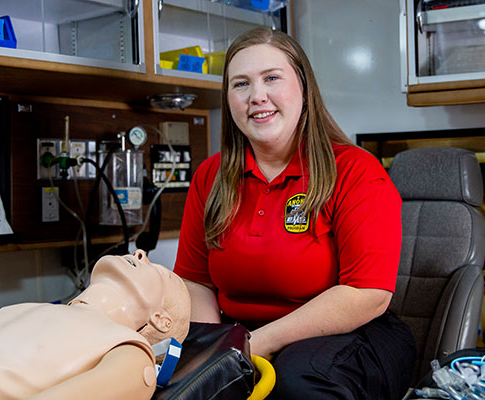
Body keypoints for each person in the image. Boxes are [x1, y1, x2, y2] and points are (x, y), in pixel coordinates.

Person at [174, 27, 416, 399]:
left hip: (351, 335)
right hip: (243, 333)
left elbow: (368, 294)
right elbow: (195, 281)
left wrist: (253, 344)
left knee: (297, 382)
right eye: (241, 84)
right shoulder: (211, 177)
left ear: (303, 86)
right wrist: (212, 351)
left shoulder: (356, 171)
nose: (257, 96)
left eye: (272, 78)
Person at [0, 250, 190, 400]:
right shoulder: (25, 308)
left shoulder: (128, 350)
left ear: (160, 320)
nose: (140, 253)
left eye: (159, 272)